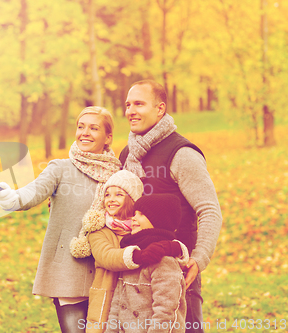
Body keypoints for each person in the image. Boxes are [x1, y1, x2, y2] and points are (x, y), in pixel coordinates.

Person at [0, 106, 126, 333]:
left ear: (108, 137)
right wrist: (12, 198)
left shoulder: (119, 175)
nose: (85, 133)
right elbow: (34, 192)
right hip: (68, 271)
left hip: (107, 273)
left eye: (94, 128)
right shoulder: (60, 168)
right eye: (81, 127)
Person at [119, 80, 222, 332]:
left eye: (139, 104)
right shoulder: (126, 155)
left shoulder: (182, 154)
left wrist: (198, 259)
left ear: (160, 109)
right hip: (133, 270)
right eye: (128, 104)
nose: (130, 111)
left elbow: (209, 209)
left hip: (175, 270)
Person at [70, 170, 187, 333]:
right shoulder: (104, 233)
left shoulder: (153, 250)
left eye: (119, 194)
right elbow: (108, 257)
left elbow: (165, 311)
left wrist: (173, 248)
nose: (111, 199)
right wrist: (139, 256)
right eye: (107, 195)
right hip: (105, 298)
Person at [105, 194, 188, 333]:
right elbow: (117, 306)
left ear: (159, 220)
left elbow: (165, 312)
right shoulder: (132, 256)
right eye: (134, 214)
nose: (134, 218)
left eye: (141, 214)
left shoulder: (165, 261)